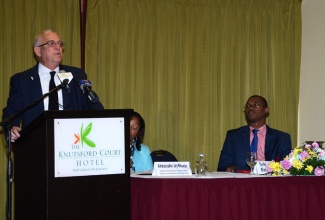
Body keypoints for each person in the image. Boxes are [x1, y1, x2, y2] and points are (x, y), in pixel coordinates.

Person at [2, 29, 104, 142]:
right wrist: (12, 128)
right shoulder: (22, 81)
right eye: (51, 43)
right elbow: (11, 113)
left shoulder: (76, 75)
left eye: (60, 44)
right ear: (38, 51)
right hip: (36, 145)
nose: (58, 47)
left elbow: (95, 108)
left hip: (72, 143)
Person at [217, 95, 292, 172]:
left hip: (270, 181)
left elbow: (287, 166)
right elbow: (222, 166)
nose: (250, 107)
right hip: (241, 181)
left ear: (266, 110)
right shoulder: (233, 136)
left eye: (256, 105)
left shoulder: (282, 138)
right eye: (248, 105)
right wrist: (232, 169)